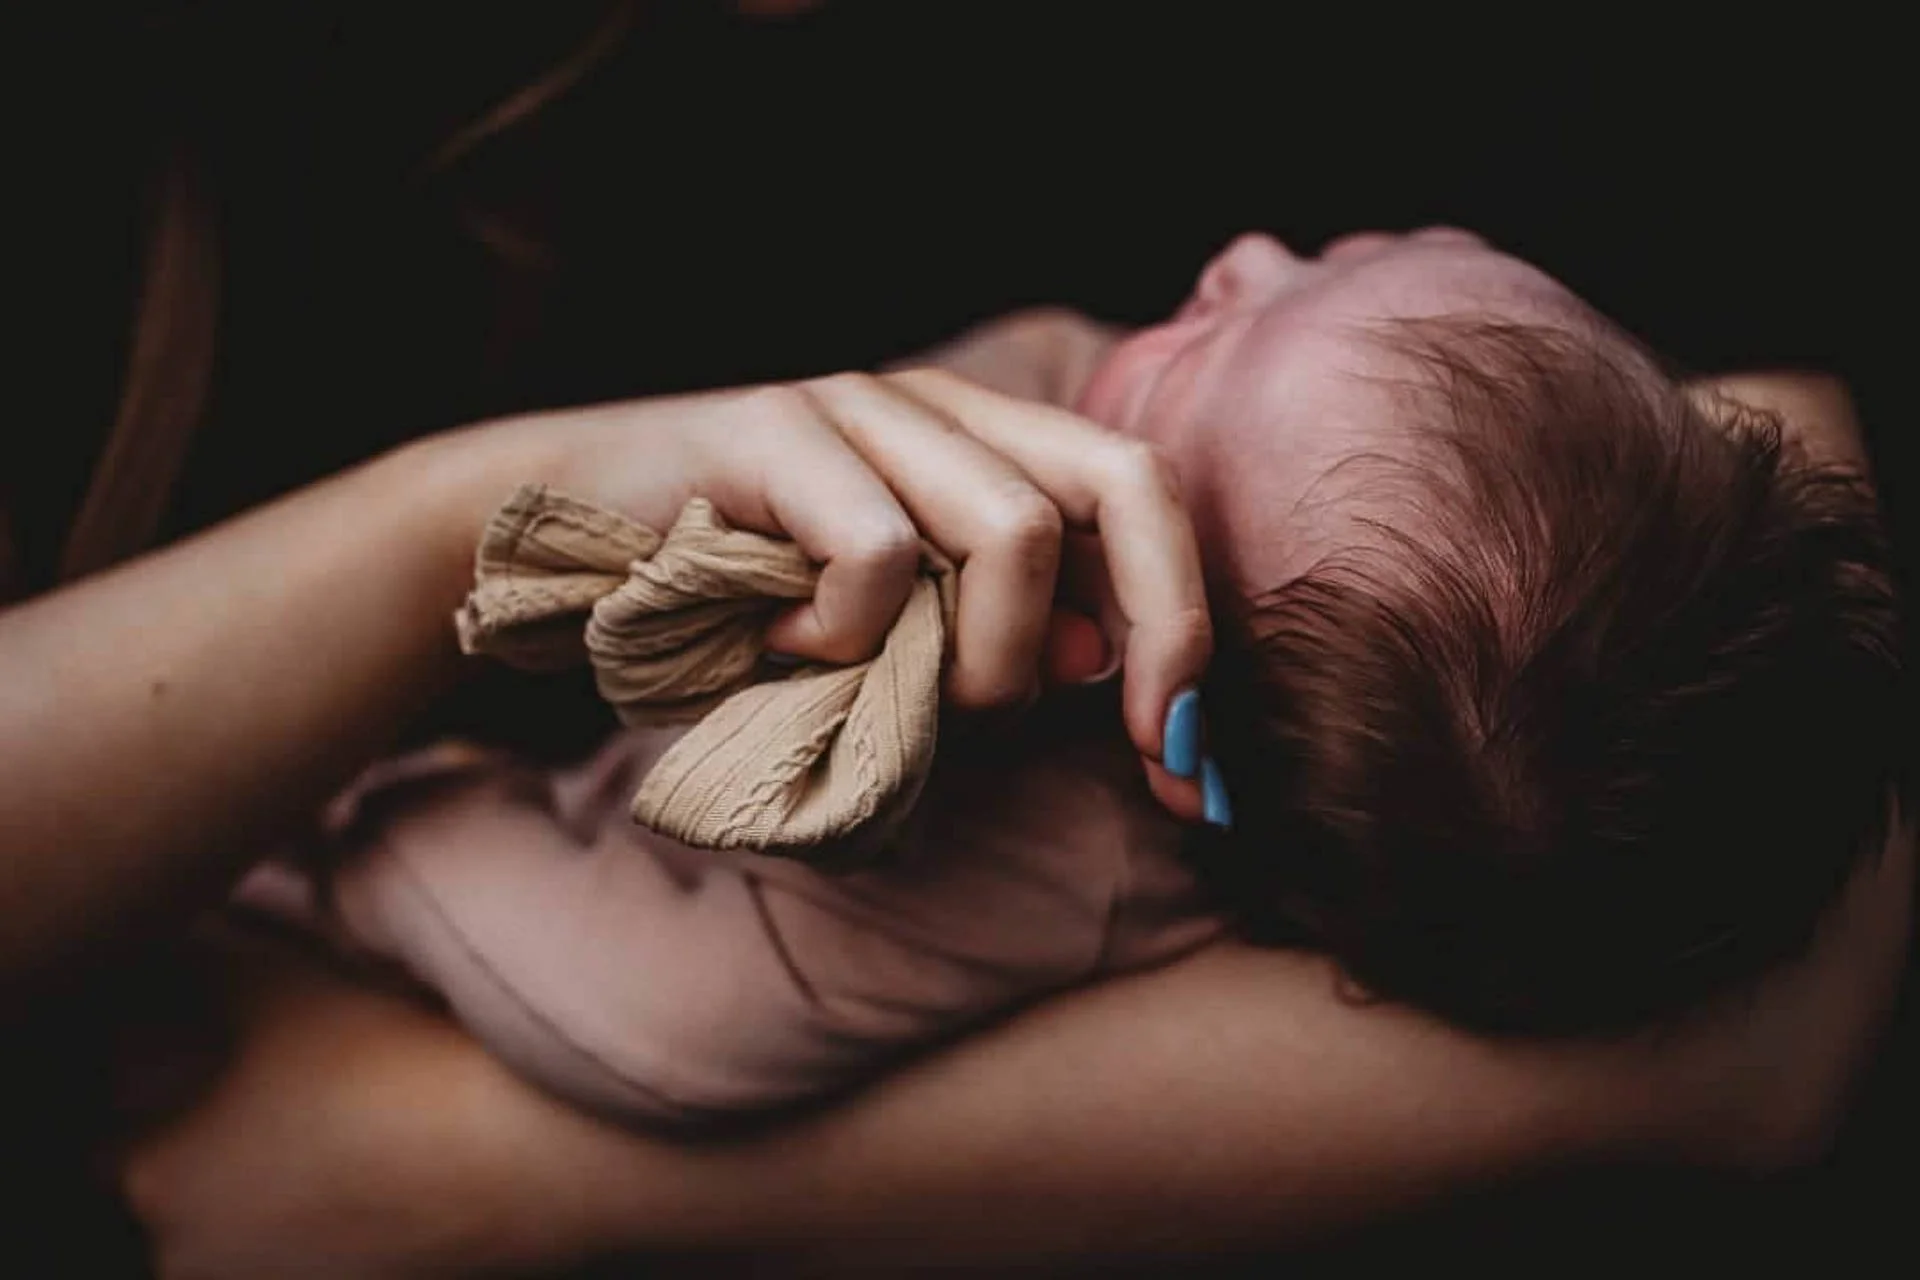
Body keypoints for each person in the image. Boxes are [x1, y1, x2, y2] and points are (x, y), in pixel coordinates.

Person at [101, 242, 1913, 1274]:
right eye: (1350, 256)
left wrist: (374, 845)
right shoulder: (1220, 495)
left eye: (1212, 343)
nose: (1245, 256)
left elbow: (652, 1027)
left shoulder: (1026, 869)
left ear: (1147, 663)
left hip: (380, 935)